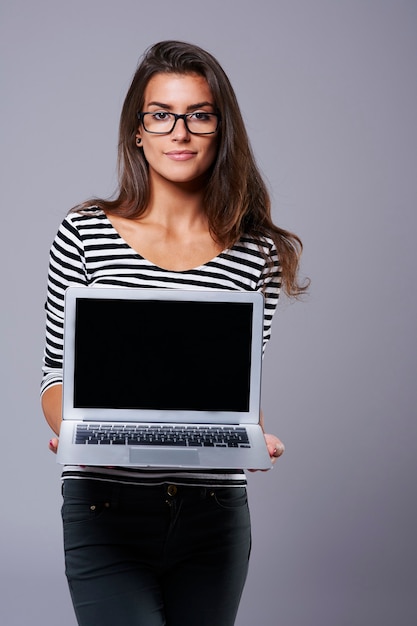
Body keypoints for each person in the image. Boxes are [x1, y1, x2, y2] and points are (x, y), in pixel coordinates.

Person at [41, 40, 307, 626]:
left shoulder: (255, 252)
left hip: (214, 513)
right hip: (103, 506)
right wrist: (78, 429)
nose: (179, 132)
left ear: (220, 128)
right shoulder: (84, 231)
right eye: (160, 115)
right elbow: (55, 377)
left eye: (199, 115)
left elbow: (235, 390)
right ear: (138, 131)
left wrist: (255, 434)